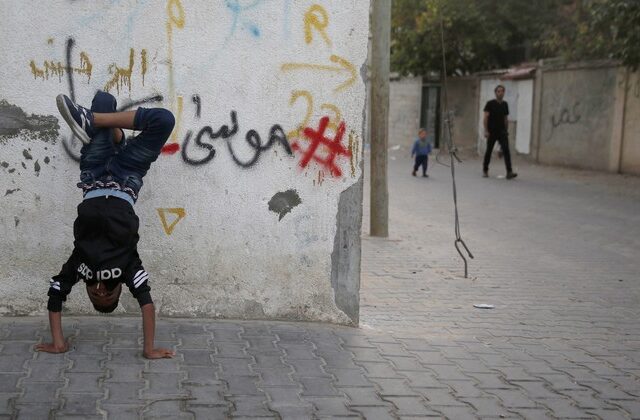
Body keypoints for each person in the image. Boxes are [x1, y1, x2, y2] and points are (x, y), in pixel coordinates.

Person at [36, 91, 176, 359]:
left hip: (95, 171)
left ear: (87, 289)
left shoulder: (80, 264)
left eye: (95, 294)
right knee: (164, 120)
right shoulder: (128, 266)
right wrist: (149, 349)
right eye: (108, 294)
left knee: (103, 99)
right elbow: (146, 304)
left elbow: (55, 295)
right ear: (120, 287)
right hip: (128, 174)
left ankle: (103, 126)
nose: (101, 289)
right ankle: (110, 132)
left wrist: (59, 343)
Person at [483, 85, 517, 179]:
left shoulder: (505, 104)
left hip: (502, 131)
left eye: (502, 91)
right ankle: (485, 170)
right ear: (495, 93)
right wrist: (486, 130)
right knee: (489, 151)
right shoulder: (490, 103)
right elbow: (486, 117)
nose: (500, 93)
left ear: (504, 93)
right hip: (492, 131)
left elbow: (505, 118)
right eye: (498, 91)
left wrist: (506, 130)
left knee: (506, 150)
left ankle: (509, 172)